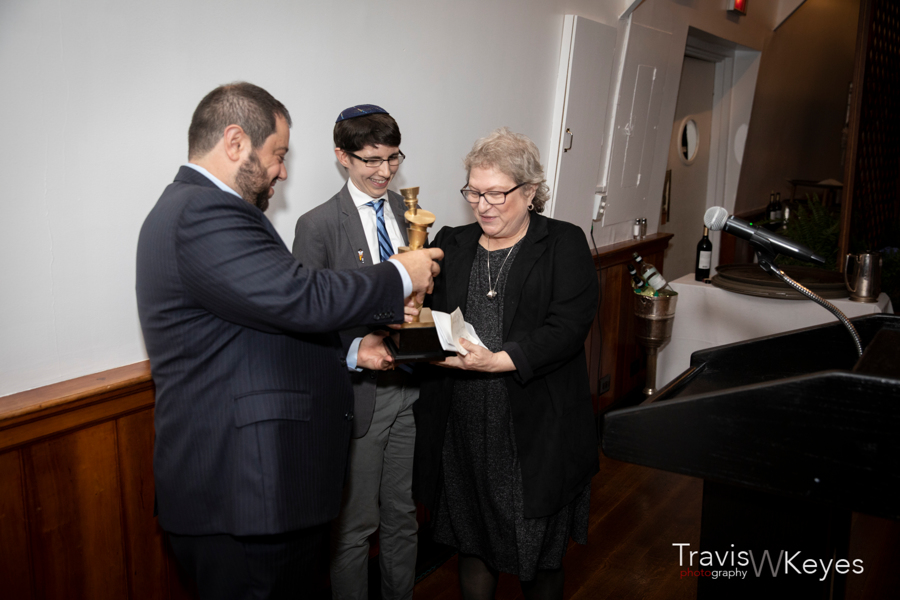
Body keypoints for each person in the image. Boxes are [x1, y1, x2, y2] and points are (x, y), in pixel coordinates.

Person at [135, 83, 442, 600]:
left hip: (249, 490)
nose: (282, 171)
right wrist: (399, 274)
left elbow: (268, 321)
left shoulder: (197, 209)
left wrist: (352, 351)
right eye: (278, 154)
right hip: (243, 492)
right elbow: (300, 295)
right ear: (236, 142)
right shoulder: (203, 212)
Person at [413, 127, 600, 600]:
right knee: (472, 541)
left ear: (530, 191)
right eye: (474, 192)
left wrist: (500, 360)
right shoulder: (453, 241)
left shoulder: (563, 242)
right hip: (462, 425)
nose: (483, 205)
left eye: (496, 193)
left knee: (539, 554)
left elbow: (568, 326)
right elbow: (429, 316)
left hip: (534, 429)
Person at [292, 105, 419, 600]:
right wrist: (353, 349)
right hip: (358, 397)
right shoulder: (318, 225)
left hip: (407, 387)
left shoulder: (409, 212)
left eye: (393, 158)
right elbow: (304, 323)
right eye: (372, 160)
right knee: (356, 526)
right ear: (342, 157)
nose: (385, 171)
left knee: (403, 516)